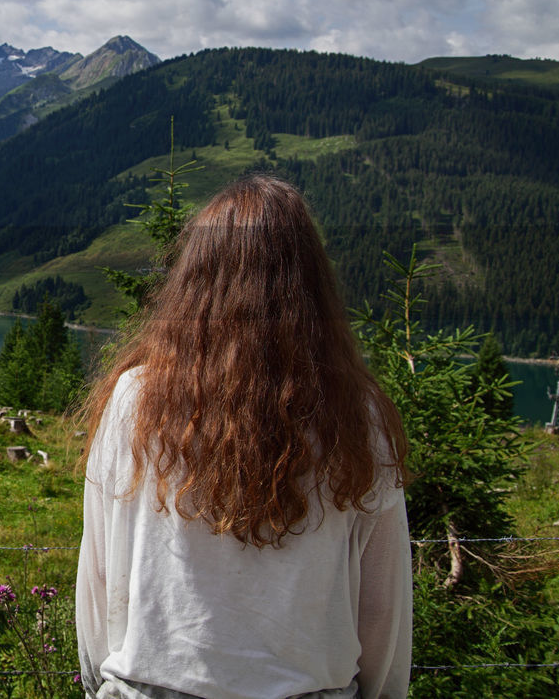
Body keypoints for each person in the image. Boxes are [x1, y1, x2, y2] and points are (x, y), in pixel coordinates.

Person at [76, 175, 411, 699]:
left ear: (194, 282)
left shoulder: (134, 400)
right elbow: (382, 605)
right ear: (310, 286)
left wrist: (101, 678)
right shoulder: (355, 415)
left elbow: (98, 577)